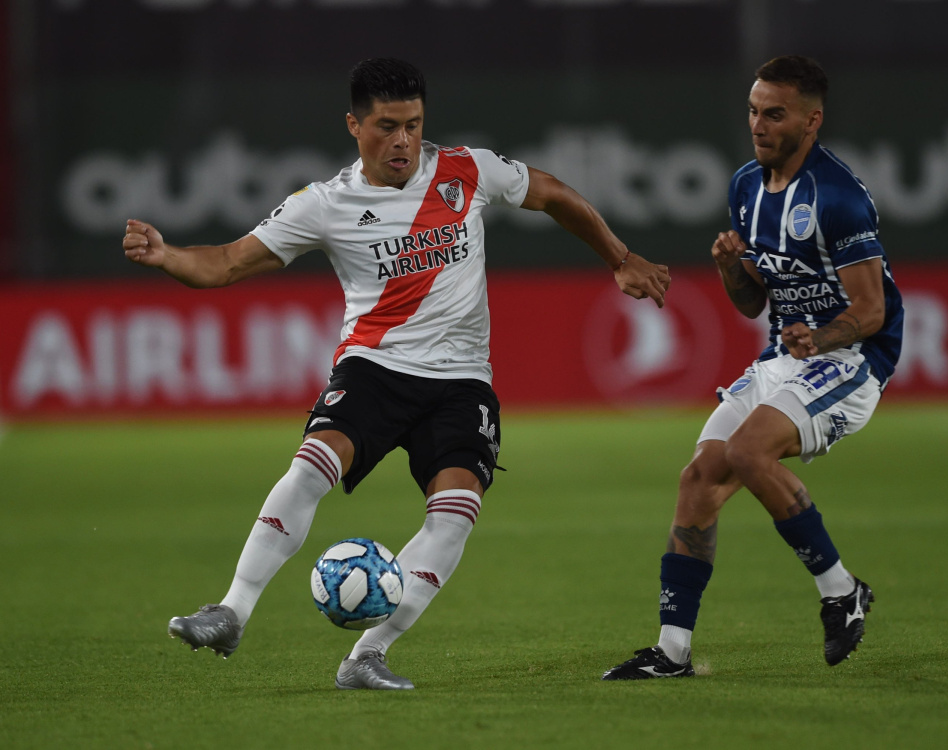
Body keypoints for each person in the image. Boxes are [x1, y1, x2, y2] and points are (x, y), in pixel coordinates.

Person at [123, 57, 670, 690]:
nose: (403, 140)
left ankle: (367, 656)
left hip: (464, 381)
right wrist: (167, 256)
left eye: (412, 124)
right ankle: (232, 610)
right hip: (376, 367)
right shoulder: (325, 204)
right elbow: (224, 263)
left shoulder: (467, 170)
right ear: (354, 125)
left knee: (456, 511)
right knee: (311, 464)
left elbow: (551, 193)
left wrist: (620, 257)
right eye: (387, 126)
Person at [603, 55, 904, 680]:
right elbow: (752, 303)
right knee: (698, 479)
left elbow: (872, 310)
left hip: (849, 361)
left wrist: (820, 338)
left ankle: (841, 591)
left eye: (775, 113)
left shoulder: (838, 197)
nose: (759, 124)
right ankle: (673, 652)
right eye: (753, 110)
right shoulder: (745, 186)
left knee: (746, 453)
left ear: (811, 121)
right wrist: (728, 269)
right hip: (783, 358)